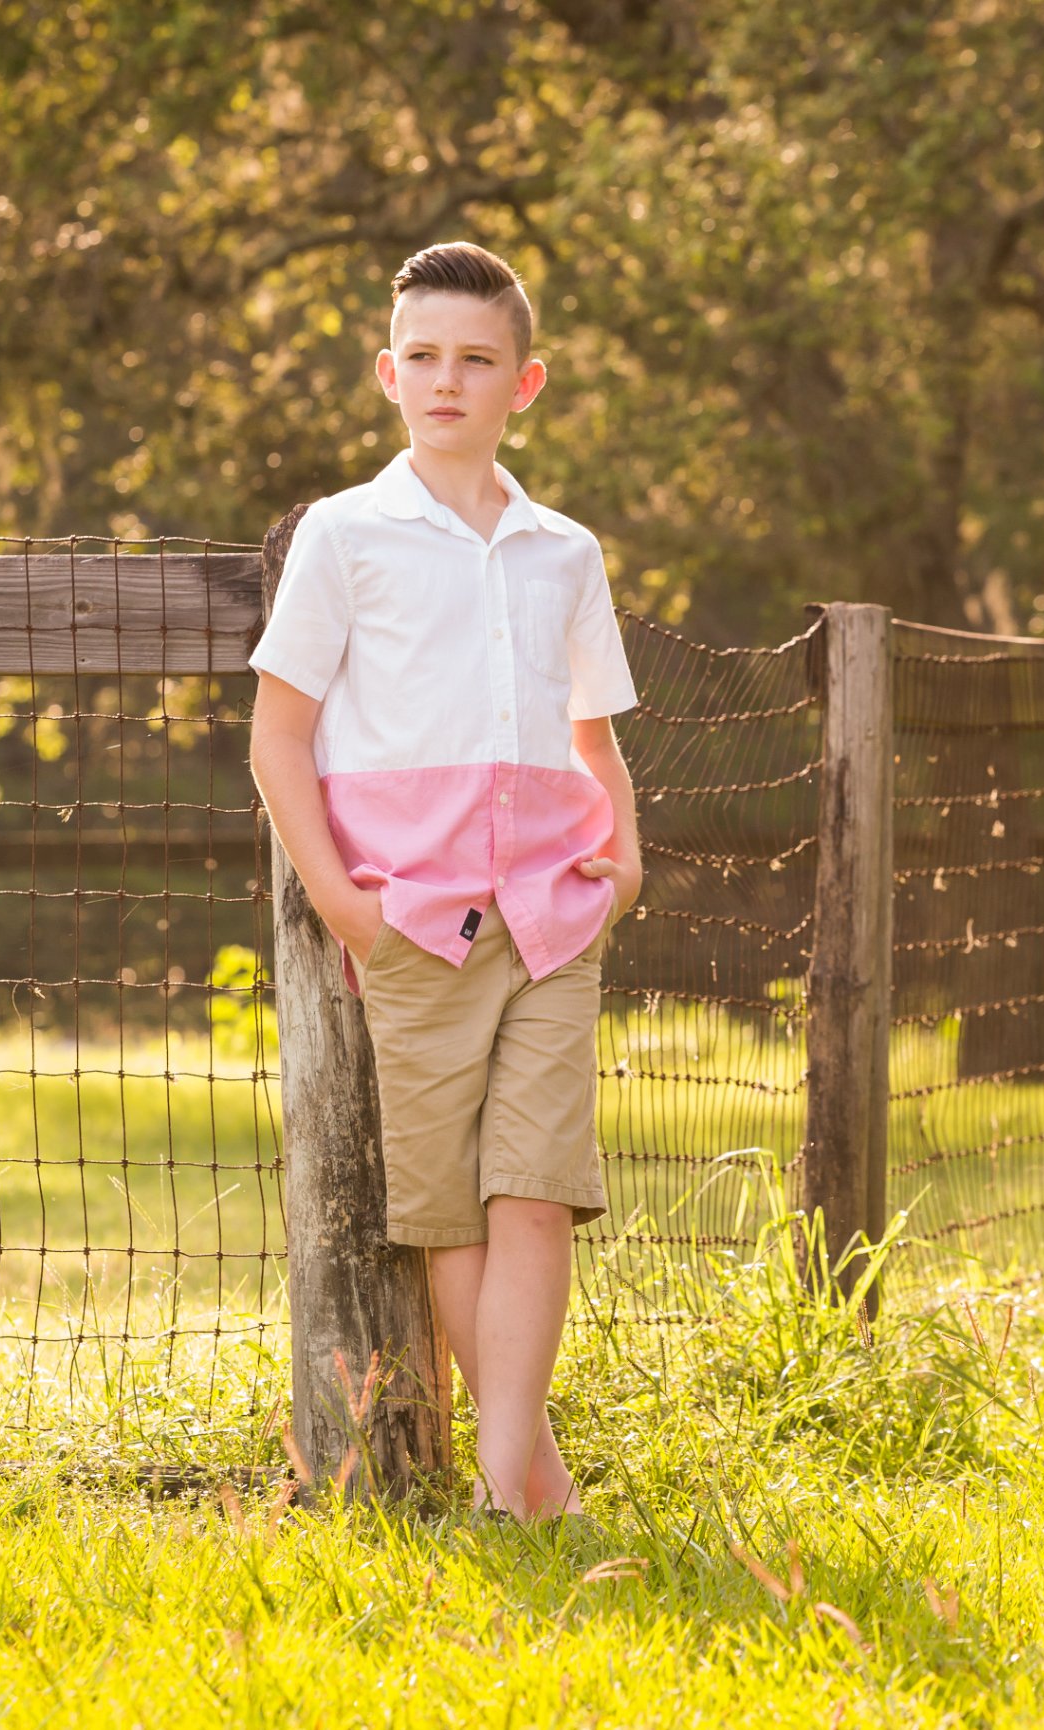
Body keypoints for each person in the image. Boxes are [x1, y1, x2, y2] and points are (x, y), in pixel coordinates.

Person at [247, 241, 641, 1522]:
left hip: (552, 913)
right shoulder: (346, 537)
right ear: (387, 371)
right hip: (412, 920)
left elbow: (594, 734)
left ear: (524, 383)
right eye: (423, 356)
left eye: (476, 360)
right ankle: (544, 1496)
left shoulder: (563, 552)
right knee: (450, 1217)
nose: (446, 380)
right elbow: (279, 734)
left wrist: (624, 848)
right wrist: (343, 902)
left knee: (535, 1195)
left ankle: (496, 1488)